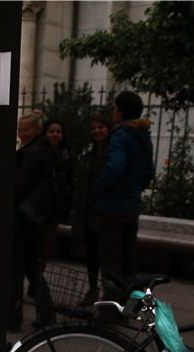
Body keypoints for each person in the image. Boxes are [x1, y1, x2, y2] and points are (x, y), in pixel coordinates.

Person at [94, 92, 154, 303]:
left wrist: (99, 188)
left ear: (120, 111)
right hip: (131, 205)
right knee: (128, 260)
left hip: (112, 206)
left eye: (114, 108)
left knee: (110, 261)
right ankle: (129, 304)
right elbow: (149, 173)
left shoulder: (121, 135)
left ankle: (111, 308)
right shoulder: (143, 135)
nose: (113, 112)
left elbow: (115, 167)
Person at [9, 111, 56, 330]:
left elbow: (18, 187)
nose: (21, 134)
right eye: (19, 129)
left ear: (36, 130)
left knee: (16, 269)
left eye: (25, 129)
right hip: (37, 218)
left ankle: (13, 316)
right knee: (32, 268)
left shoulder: (31, 154)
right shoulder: (46, 149)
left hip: (23, 219)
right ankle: (47, 314)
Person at [71, 114, 112, 306]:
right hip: (90, 213)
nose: (97, 131)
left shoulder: (111, 153)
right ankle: (93, 288)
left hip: (104, 212)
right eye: (94, 128)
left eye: (101, 127)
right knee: (93, 255)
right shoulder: (91, 154)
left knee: (105, 255)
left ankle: (107, 293)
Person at [38, 119, 74, 273]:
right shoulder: (40, 152)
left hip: (55, 207)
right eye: (51, 131)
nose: (55, 135)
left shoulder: (66, 154)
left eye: (58, 132)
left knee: (46, 245)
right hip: (40, 205)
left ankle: (38, 277)